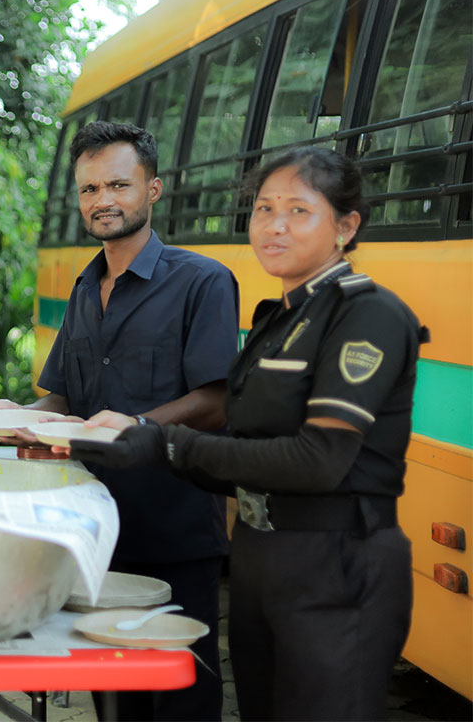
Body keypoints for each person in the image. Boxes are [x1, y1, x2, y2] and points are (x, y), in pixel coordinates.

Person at [70, 147, 422, 720]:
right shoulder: (276, 321)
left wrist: (162, 441)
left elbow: (320, 459)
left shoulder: (368, 315)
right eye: (264, 209)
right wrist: (138, 446)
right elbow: (243, 451)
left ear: (346, 226)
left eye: (298, 210)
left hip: (334, 562)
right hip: (261, 556)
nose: (275, 225)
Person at [0, 121, 237, 721]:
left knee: (182, 698)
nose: (102, 200)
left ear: (153, 189)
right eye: (90, 189)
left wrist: (136, 425)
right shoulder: (85, 289)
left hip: (174, 531)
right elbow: (65, 400)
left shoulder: (203, 281)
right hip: (92, 532)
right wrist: (21, 415)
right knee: (113, 699)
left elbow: (218, 399)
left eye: (118, 185)